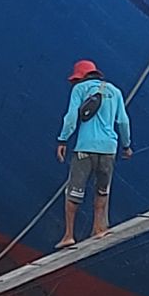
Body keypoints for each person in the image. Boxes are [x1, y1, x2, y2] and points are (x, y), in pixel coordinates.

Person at [56, 59, 132, 248]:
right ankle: (98, 228)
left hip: (85, 147)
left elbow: (71, 117)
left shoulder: (79, 90)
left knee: (74, 191)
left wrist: (63, 139)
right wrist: (126, 145)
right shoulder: (115, 92)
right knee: (102, 189)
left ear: (80, 77)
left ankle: (68, 235)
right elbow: (123, 121)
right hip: (108, 149)